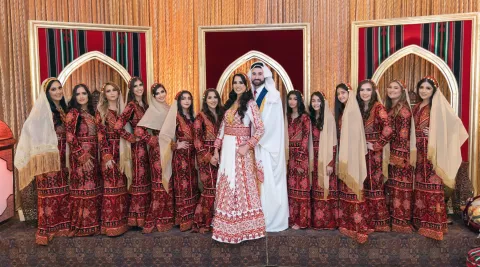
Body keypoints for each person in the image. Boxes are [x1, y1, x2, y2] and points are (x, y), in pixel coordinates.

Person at [15, 77, 71, 245]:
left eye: (59, 88)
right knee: (49, 195)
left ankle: (63, 226)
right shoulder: (41, 112)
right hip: (48, 160)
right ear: (46, 93)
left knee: (64, 192)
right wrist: (42, 153)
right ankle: (48, 229)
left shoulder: (63, 110)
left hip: (63, 158)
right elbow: (29, 129)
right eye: (53, 89)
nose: (58, 92)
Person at [211, 73, 266, 243]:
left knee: (240, 184)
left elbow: (261, 129)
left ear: (246, 85)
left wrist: (247, 145)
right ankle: (225, 226)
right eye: (235, 83)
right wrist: (216, 149)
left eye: (241, 83)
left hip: (240, 150)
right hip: (227, 149)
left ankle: (244, 227)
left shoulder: (250, 104)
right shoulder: (230, 104)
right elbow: (222, 128)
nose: (237, 85)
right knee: (226, 181)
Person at [412, 76, 468, 240]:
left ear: (434, 90)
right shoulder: (416, 107)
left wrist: (436, 133)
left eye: (428, 88)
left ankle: (435, 224)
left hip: (433, 154)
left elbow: (456, 127)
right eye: (421, 87)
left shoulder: (438, 106)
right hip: (419, 154)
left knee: (433, 188)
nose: (424, 91)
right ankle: (421, 222)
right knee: (420, 187)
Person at [248, 61, 288, 232]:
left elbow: (273, 123)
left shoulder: (273, 95)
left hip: (267, 146)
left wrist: (256, 140)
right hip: (249, 146)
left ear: (265, 75)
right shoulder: (247, 94)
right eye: (254, 74)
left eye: (260, 73)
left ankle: (270, 219)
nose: (257, 77)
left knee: (269, 182)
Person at [96, 81, 134, 236]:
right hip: (110, 153)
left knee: (122, 187)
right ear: (104, 94)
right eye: (108, 91)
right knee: (111, 187)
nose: (112, 93)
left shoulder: (123, 111)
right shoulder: (101, 111)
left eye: (114, 90)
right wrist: (107, 155)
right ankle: (110, 226)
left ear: (119, 92)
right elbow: (100, 135)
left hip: (124, 152)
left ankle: (122, 223)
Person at [136, 83, 174, 233]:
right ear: (153, 96)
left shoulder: (169, 108)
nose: (161, 95)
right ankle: (155, 218)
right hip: (158, 151)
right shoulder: (152, 110)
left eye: (162, 92)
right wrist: (151, 140)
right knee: (159, 182)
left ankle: (166, 217)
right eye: (157, 93)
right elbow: (139, 130)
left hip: (170, 149)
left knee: (168, 181)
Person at [356, 79, 393, 232]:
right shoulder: (358, 108)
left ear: (373, 92)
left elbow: (388, 129)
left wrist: (376, 145)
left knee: (374, 184)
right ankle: (367, 220)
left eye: (368, 90)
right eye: (362, 90)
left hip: (374, 154)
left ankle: (380, 222)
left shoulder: (378, 107)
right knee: (363, 184)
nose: (365, 93)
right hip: (359, 151)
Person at [336, 82, 370, 243]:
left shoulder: (351, 112)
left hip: (352, 157)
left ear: (350, 93)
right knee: (348, 191)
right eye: (339, 94)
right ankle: (349, 225)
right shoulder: (346, 111)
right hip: (346, 155)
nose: (341, 96)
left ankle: (358, 227)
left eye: (343, 93)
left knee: (354, 189)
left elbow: (354, 139)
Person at [65, 83, 102, 236]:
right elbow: (70, 136)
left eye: (84, 93)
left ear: (88, 95)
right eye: (78, 94)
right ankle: (82, 224)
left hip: (95, 154)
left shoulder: (94, 113)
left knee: (93, 186)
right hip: (80, 157)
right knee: (83, 187)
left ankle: (94, 224)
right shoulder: (73, 113)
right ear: (74, 97)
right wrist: (82, 156)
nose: (81, 96)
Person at [159, 90, 198, 231]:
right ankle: (183, 220)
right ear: (178, 101)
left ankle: (192, 218)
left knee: (192, 186)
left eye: (189, 98)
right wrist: (176, 145)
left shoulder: (193, 116)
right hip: (180, 158)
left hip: (192, 157)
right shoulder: (175, 116)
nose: (187, 101)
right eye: (183, 99)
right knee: (183, 187)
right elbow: (164, 136)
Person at [115, 77, 150, 228]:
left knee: (147, 179)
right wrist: (131, 138)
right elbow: (117, 126)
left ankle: (146, 215)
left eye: (140, 85)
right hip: (139, 149)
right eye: (135, 86)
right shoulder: (131, 105)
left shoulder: (146, 104)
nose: (139, 88)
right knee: (140, 180)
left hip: (150, 146)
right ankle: (137, 219)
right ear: (131, 90)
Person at [384, 79, 415, 233]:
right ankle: (395, 220)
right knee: (393, 189)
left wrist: (398, 157)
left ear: (402, 90)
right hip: (391, 154)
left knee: (400, 190)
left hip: (400, 156)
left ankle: (401, 222)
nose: (392, 90)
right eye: (390, 87)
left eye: (396, 87)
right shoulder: (391, 108)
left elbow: (403, 136)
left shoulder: (402, 110)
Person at [192, 88, 224, 233]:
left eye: (215, 97)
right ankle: (205, 221)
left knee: (220, 188)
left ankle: (219, 220)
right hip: (206, 157)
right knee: (210, 188)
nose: (213, 100)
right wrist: (209, 157)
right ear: (205, 100)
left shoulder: (221, 115)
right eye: (210, 98)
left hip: (221, 155)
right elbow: (197, 142)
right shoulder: (200, 117)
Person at [309, 91, 338, 230]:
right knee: (317, 190)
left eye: (318, 101)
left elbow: (333, 142)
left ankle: (328, 222)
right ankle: (318, 222)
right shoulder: (311, 118)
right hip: (314, 159)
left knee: (326, 189)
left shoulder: (329, 118)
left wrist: (330, 163)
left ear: (323, 102)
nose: (315, 103)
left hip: (326, 159)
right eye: (313, 101)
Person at [285, 90, 311, 229]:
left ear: (299, 101)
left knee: (301, 188)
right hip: (289, 156)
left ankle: (302, 221)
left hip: (301, 156)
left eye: (295, 99)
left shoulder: (304, 117)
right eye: (290, 99)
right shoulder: (287, 117)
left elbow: (306, 138)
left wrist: (300, 158)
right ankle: (292, 219)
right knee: (291, 188)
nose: (292, 101)